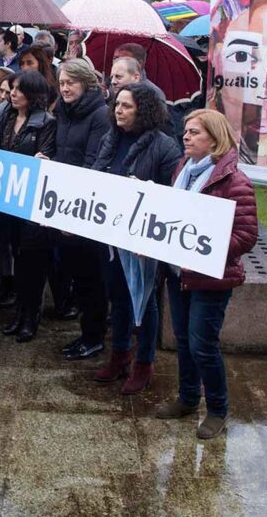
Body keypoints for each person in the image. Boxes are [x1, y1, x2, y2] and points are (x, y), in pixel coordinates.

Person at [156, 109, 258, 439]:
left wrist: (207, 248)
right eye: (185, 131)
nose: (185, 136)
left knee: (203, 344)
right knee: (184, 340)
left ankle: (217, 409)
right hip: (178, 273)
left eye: (194, 132)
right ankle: (187, 398)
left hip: (210, 278)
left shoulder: (234, 182)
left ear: (214, 139)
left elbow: (246, 235)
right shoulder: (181, 171)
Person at [90, 84, 183, 393]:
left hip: (142, 241)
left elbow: (173, 195)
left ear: (142, 110)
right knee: (116, 296)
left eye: (127, 106)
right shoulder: (110, 138)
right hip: (110, 236)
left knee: (144, 302)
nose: (119, 110)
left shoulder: (164, 146)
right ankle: (119, 354)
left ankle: (144, 363)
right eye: (117, 104)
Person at [0, 71, 56, 342]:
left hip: (31, 202)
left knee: (33, 263)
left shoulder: (46, 122)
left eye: (18, 90)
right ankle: (19, 313)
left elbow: (46, 157)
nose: (12, 94)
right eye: (11, 89)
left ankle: (31, 316)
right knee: (16, 258)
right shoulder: (5, 116)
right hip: (9, 198)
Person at [52, 59, 112, 360]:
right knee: (75, 271)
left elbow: (93, 163)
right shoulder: (62, 111)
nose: (64, 88)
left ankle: (94, 336)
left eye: (70, 83)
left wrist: (74, 211)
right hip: (63, 200)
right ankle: (86, 332)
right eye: (61, 82)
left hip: (83, 205)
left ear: (86, 83)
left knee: (90, 277)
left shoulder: (100, 114)